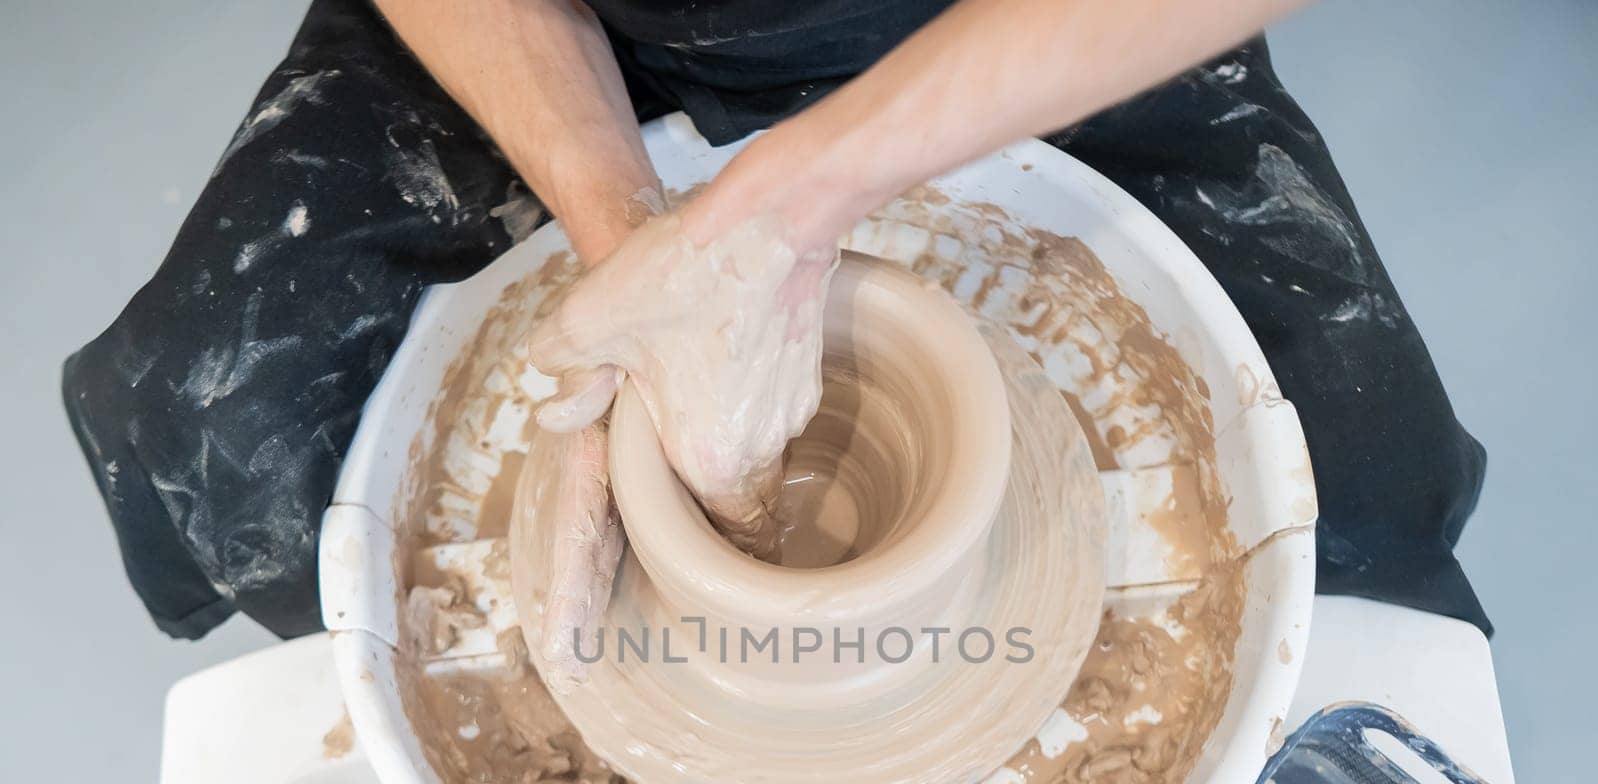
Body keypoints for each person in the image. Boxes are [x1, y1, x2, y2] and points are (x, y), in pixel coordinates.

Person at [63, 0, 1491, 656]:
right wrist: (628, 241)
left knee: (1356, 482)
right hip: (571, 32)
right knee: (216, 431)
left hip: (1015, 30)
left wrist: (782, 210)